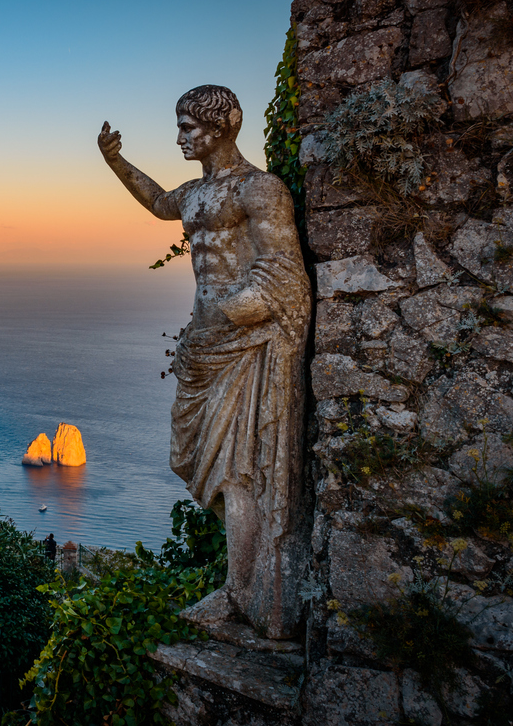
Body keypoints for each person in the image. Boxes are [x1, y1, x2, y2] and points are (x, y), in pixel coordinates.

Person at [97, 86, 311, 639]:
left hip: (242, 344)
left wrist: (234, 311)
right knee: (190, 459)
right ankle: (243, 578)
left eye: (188, 128)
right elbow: (157, 201)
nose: (180, 138)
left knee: (236, 469)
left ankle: (244, 594)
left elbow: (283, 269)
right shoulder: (193, 196)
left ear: (219, 128)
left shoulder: (260, 189)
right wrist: (116, 162)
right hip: (203, 345)